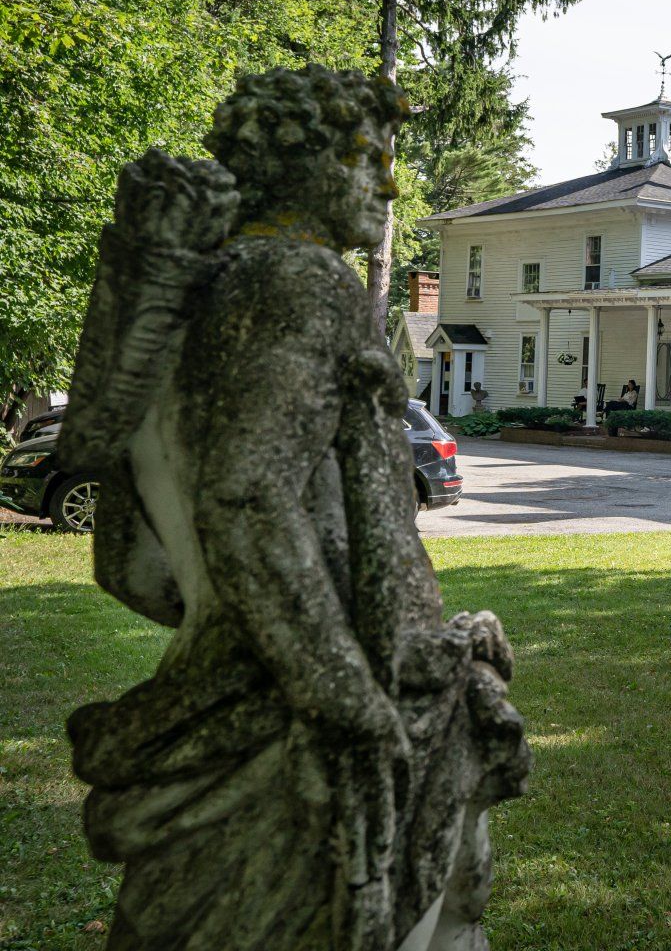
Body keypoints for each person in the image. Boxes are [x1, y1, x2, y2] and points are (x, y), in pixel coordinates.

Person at [62, 67, 530, 948]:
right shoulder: (303, 284)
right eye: (364, 156)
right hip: (318, 713)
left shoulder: (190, 302)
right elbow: (247, 494)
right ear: (293, 163)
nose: (388, 182)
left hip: (228, 695)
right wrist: (343, 694)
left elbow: (132, 568)